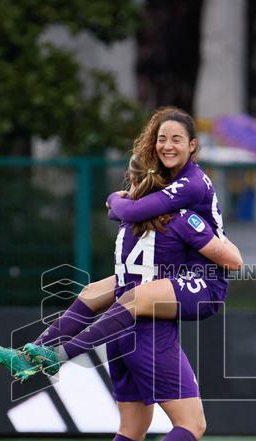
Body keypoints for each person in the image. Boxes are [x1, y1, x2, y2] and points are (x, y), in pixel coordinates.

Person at [0, 158, 243, 441]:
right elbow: (232, 260)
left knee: (131, 427)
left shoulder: (127, 227)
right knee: (192, 423)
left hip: (121, 337)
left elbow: (96, 292)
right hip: (150, 332)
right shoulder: (180, 220)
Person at [25, 106, 227, 353]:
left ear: (192, 145)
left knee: (134, 299)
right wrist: (123, 203)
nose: (167, 146)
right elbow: (123, 213)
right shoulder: (171, 175)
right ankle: (29, 353)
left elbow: (129, 212)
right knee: (92, 291)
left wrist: (114, 197)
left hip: (200, 279)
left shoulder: (191, 183)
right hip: (168, 266)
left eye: (177, 140)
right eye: (161, 139)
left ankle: (61, 356)